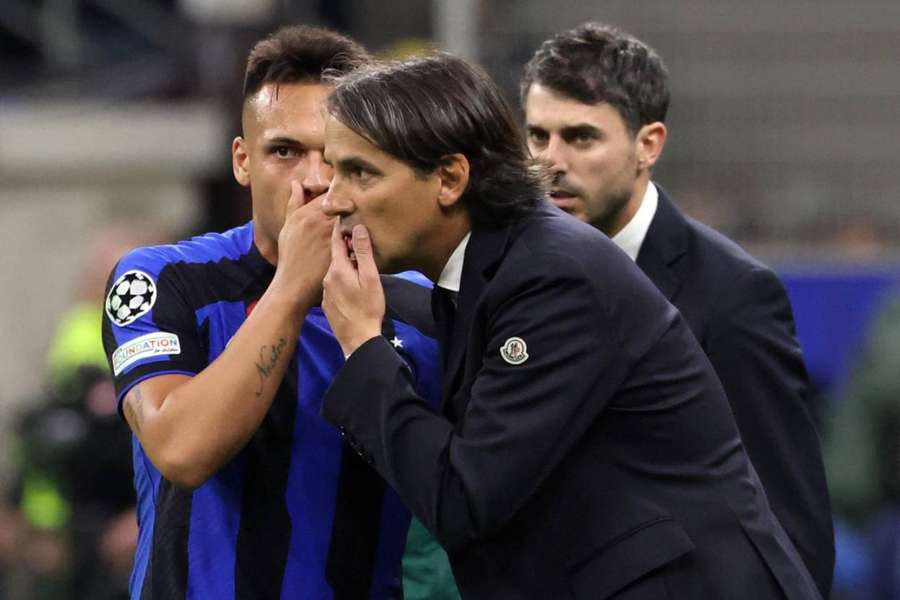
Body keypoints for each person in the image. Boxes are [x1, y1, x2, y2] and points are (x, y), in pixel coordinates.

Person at [317, 52, 822, 599]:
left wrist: (363, 344)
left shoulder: (552, 277)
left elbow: (462, 497)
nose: (334, 200)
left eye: (360, 173)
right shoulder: (496, 265)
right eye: (334, 170)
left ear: (449, 178)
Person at [100, 25, 440, 599]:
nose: (312, 180)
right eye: (284, 151)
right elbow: (181, 451)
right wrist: (291, 287)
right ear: (242, 161)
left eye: (335, 155)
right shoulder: (163, 280)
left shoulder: (422, 309)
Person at [520, 22, 834, 597]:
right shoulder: (510, 276)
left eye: (581, 137)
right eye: (538, 137)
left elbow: (791, 523)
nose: (550, 162)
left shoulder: (732, 294)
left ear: (649, 144)